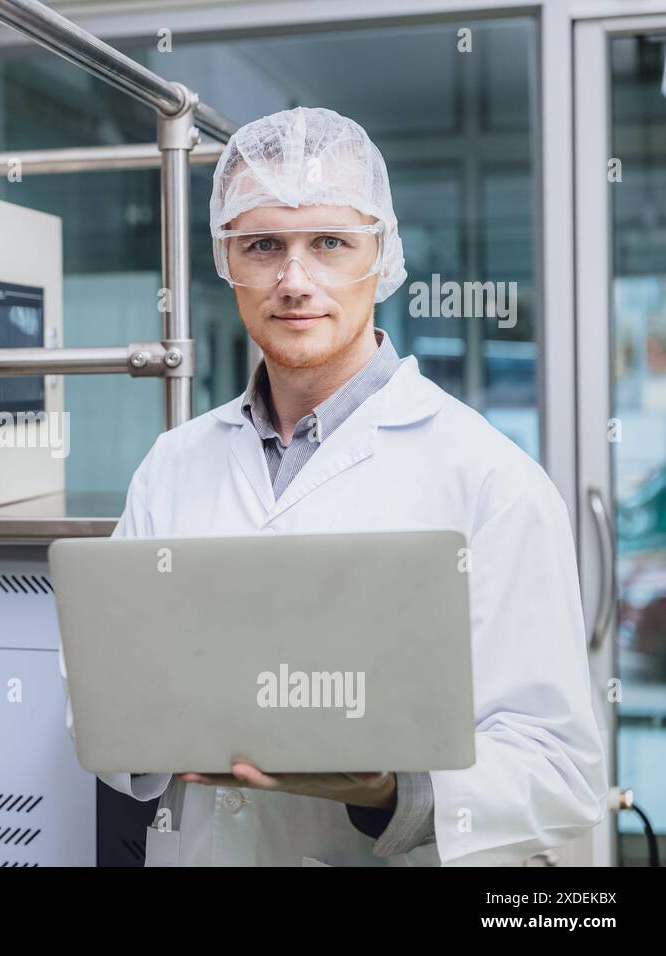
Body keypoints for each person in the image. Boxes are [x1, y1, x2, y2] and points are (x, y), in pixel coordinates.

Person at [83, 106, 607, 866]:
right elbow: (100, 699)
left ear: (381, 256)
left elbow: (559, 770)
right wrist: (148, 735)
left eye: (329, 242)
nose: (295, 281)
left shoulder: (490, 479)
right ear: (227, 261)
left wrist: (390, 791)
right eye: (262, 245)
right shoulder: (172, 465)